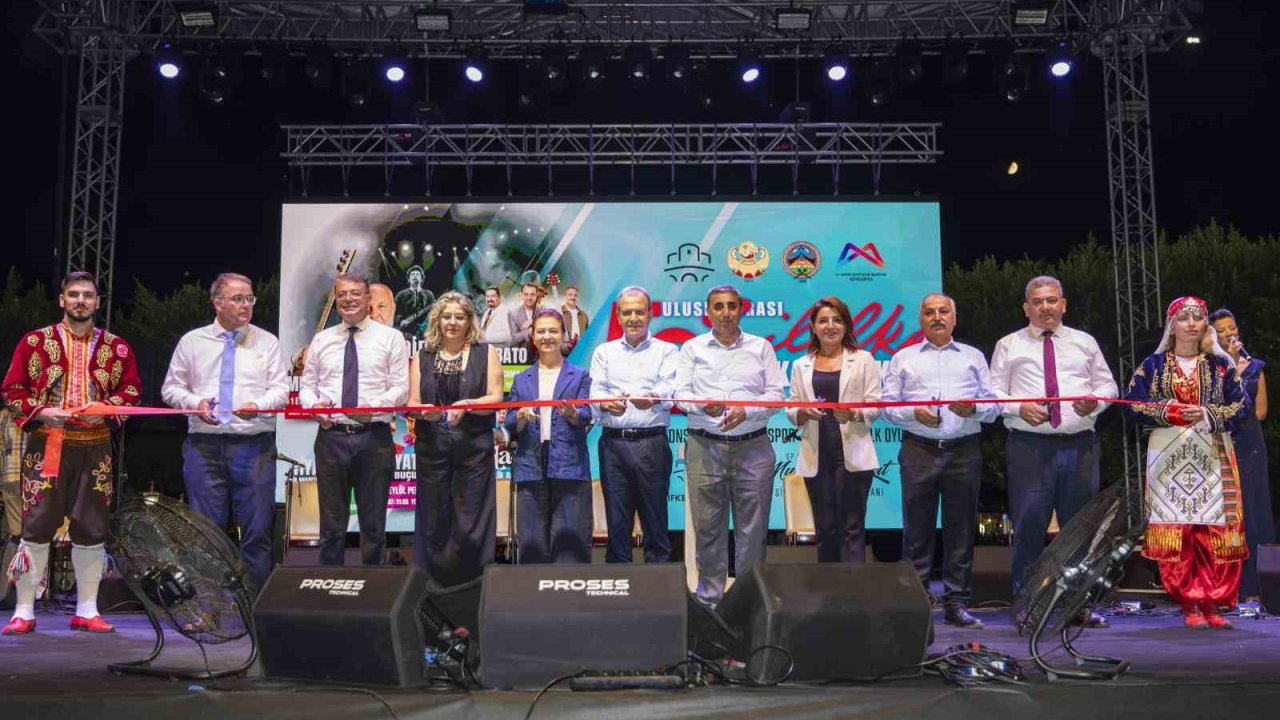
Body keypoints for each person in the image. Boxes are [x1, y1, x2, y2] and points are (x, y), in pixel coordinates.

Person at [2, 271, 142, 635]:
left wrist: (106, 407)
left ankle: (87, 609)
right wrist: (41, 412)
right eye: (74, 294)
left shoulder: (118, 348)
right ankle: (24, 611)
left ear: (98, 302)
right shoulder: (35, 342)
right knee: (36, 527)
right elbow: (13, 388)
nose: (81, 301)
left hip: (95, 448)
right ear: (62, 300)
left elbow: (131, 392)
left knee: (92, 529)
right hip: (47, 443)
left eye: (88, 295)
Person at [990, 275, 1117, 628]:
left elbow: (1108, 385)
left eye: (1051, 300)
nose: (1045, 307)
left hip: (1080, 448)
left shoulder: (1085, 342)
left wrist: (1096, 404)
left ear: (1063, 304)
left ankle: (1077, 604)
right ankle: (1027, 603)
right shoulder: (1008, 345)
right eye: (1038, 301)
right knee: (1029, 526)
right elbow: (993, 392)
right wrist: (1019, 407)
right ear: (1026, 308)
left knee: (1081, 530)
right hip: (1029, 448)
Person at [1124, 296, 1250, 628]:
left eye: (1198, 318)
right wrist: (1169, 410)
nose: (1191, 323)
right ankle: (1190, 604)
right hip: (1169, 455)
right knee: (1179, 531)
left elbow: (1241, 407)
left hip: (1211, 452)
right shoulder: (1151, 366)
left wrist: (1207, 412)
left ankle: (1211, 603)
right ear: (1172, 325)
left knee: (1211, 530)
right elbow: (1131, 405)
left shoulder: (1220, 366)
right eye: (1184, 318)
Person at [161, 273, 289, 592]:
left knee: (258, 530)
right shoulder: (192, 342)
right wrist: (195, 402)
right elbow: (171, 388)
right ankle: (210, 607)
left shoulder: (267, 342)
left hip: (254, 446)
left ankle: (255, 605)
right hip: (204, 447)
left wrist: (258, 404)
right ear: (217, 302)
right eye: (237, 299)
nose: (246, 305)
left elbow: (282, 391)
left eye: (249, 299)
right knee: (205, 531)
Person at [882, 293, 999, 628]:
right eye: (929, 312)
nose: (937, 317)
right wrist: (912, 412)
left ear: (954, 317)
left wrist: (973, 408)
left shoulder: (973, 356)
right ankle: (916, 604)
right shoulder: (902, 358)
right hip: (918, 449)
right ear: (920, 319)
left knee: (960, 529)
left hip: (963, 451)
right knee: (916, 532)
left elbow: (992, 407)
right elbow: (887, 407)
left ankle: (957, 602)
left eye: (943, 311)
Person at [676, 285, 786, 607]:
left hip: (753, 447)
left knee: (753, 534)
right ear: (707, 312)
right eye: (718, 306)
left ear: (741, 309)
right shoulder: (692, 348)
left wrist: (746, 410)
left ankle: (748, 604)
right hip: (704, 446)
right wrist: (701, 405)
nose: (725, 312)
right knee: (708, 531)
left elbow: (777, 395)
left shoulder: (761, 347)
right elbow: (681, 393)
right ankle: (710, 604)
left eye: (732, 306)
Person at [299, 273, 409, 566]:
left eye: (355, 294)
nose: (348, 299)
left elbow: (401, 387)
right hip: (331, 438)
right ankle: (329, 590)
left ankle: (372, 591)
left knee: (373, 525)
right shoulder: (321, 340)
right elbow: (306, 387)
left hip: (374, 439)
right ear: (336, 300)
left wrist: (374, 407)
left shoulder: (391, 338)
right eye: (342, 294)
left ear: (369, 299)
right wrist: (315, 406)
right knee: (331, 525)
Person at [409, 291, 503, 586]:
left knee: (471, 516)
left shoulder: (485, 352)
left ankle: (473, 583)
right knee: (434, 516)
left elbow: (496, 397)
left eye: (459, 317)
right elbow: (412, 402)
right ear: (437, 320)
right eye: (447, 316)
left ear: (469, 321)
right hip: (432, 447)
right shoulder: (422, 355)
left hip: (473, 448)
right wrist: (424, 412)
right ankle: (432, 585)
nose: (452, 322)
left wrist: (469, 405)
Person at [785, 296, 881, 565]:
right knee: (825, 526)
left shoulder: (864, 360)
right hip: (817, 453)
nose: (830, 326)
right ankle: (828, 591)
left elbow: (875, 405)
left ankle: (855, 593)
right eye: (823, 320)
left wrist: (853, 412)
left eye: (837, 320)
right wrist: (803, 412)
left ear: (846, 326)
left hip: (854, 453)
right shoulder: (800, 365)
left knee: (852, 525)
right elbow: (792, 408)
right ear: (813, 327)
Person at [590, 286, 679, 564]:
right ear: (618, 316)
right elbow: (595, 391)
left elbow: (670, 389)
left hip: (651, 444)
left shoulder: (667, 351)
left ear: (650, 314)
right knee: (617, 523)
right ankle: (619, 595)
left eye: (639, 312)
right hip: (613, 444)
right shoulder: (604, 352)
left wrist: (652, 397)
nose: (633, 318)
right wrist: (605, 403)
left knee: (655, 521)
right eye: (627, 312)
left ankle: (659, 592)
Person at [505, 309, 593, 563]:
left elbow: (587, 415)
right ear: (533, 336)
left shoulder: (579, 376)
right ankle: (532, 600)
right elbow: (511, 423)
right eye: (541, 331)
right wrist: (520, 415)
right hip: (530, 464)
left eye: (553, 331)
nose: (547, 337)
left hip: (569, 465)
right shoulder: (522, 379)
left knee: (570, 539)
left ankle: (571, 600)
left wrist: (574, 414)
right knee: (532, 543)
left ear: (563, 335)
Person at [1209, 307, 1273, 603]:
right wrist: (1230, 366)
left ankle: (1258, 587)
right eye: (1220, 330)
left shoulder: (1256, 367)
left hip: (1250, 444)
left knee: (1254, 508)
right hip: (1221, 443)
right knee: (1225, 512)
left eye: (1230, 328)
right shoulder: (1209, 368)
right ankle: (1225, 587)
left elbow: (1260, 412)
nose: (1227, 334)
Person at [393, 266, 435, 338]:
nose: (415, 276)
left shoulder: (429, 294)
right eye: (412, 274)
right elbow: (394, 313)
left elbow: (433, 314)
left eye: (417, 274)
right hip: (405, 332)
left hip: (424, 332)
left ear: (421, 279)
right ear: (408, 279)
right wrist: (400, 322)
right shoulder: (401, 295)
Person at [507, 282, 540, 351]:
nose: (529, 298)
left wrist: (533, 321)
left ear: (537, 295)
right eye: (526, 294)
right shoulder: (513, 313)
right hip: (522, 352)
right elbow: (515, 337)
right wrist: (529, 332)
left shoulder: (543, 311)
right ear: (521, 295)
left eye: (532, 294)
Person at [560, 285, 591, 355]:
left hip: (580, 352)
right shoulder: (559, 312)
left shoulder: (583, 315)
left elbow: (587, 335)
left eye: (575, 295)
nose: (573, 297)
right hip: (563, 353)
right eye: (570, 295)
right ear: (565, 296)